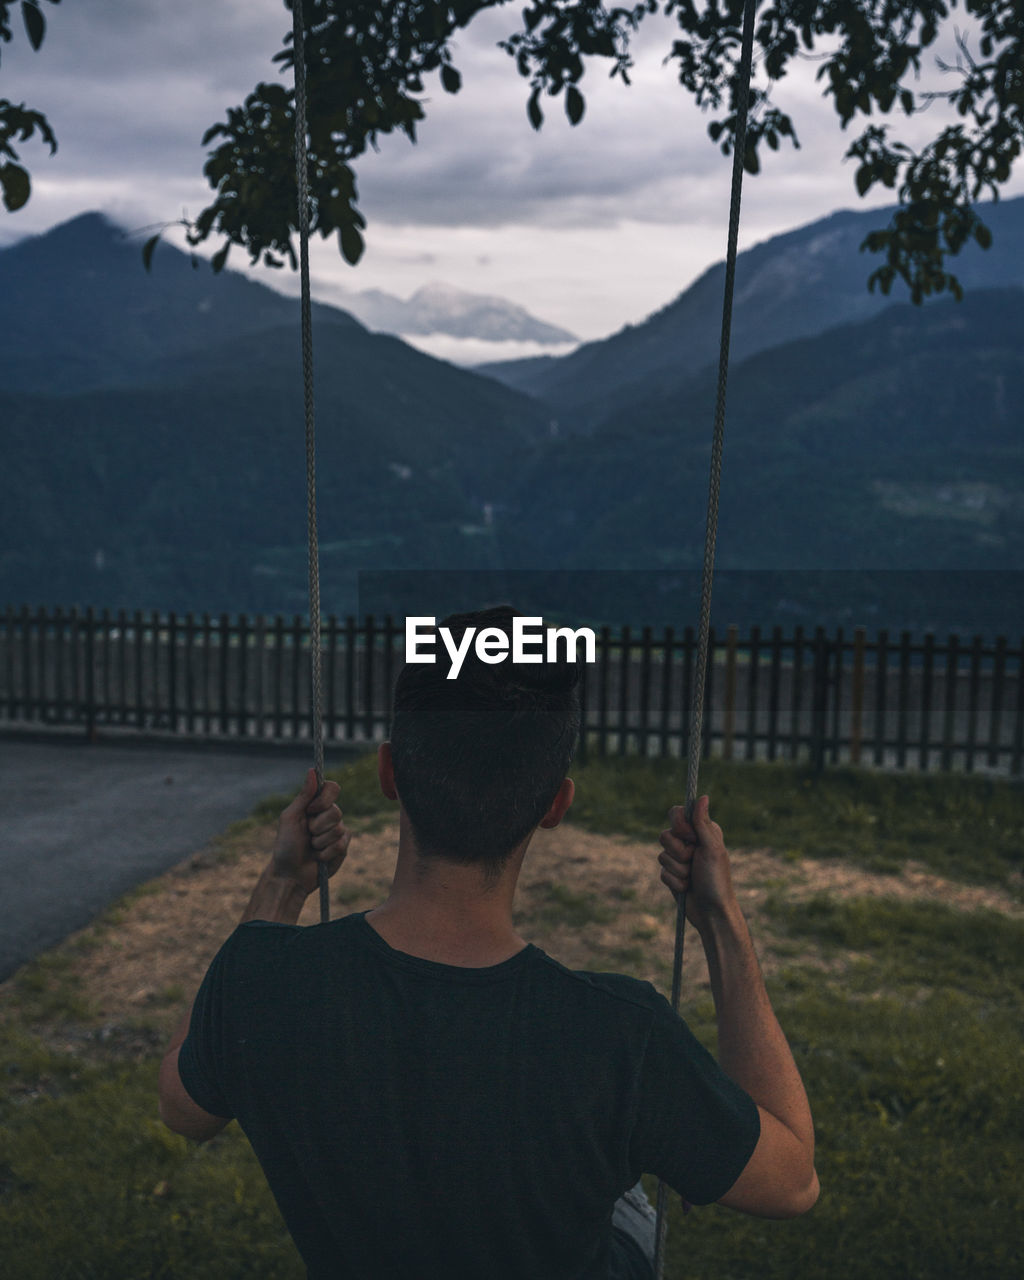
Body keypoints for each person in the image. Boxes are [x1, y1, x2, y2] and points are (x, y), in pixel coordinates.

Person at [158, 606, 818, 1279]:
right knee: (619, 1185)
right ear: (556, 805)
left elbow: (184, 1109)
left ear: (389, 773)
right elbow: (791, 1182)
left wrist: (281, 885)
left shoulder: (262, 980)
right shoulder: (619, 1034)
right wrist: (721, 922)